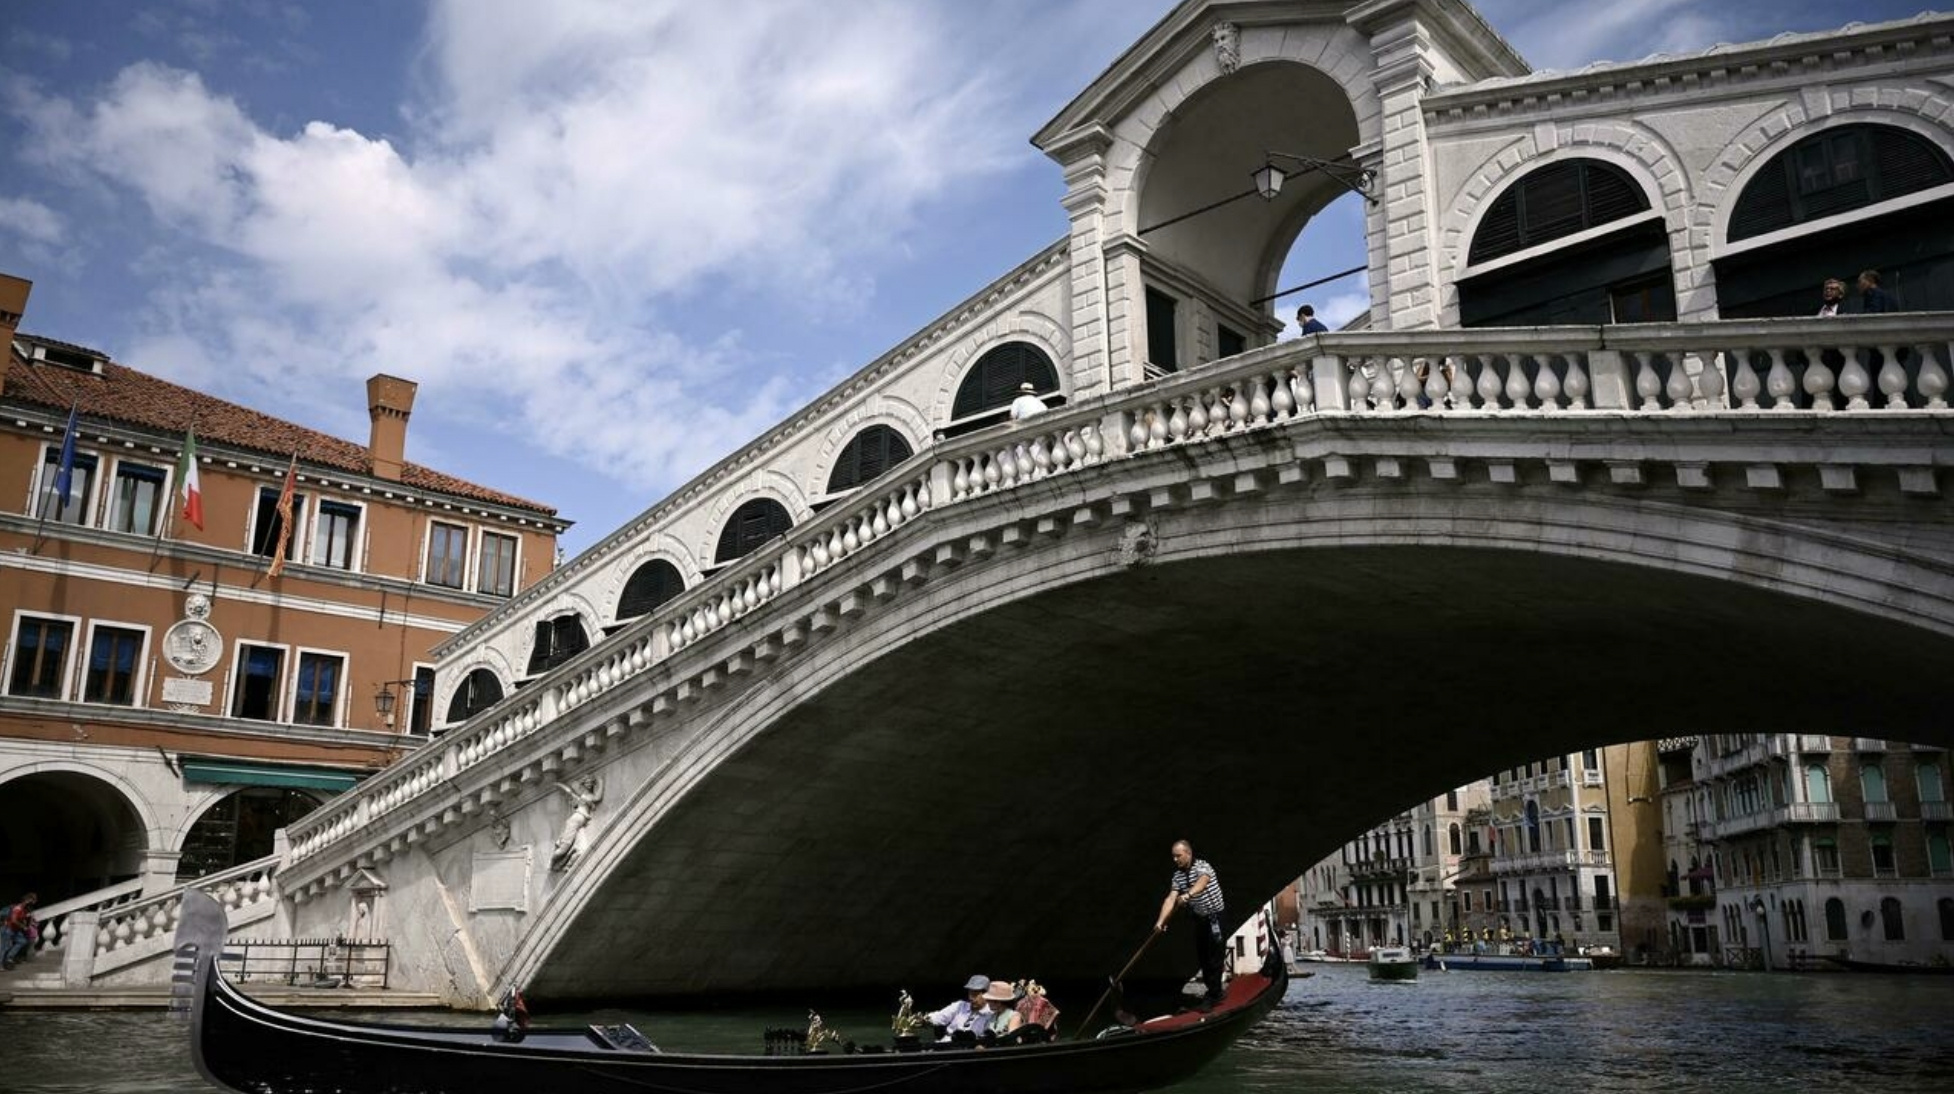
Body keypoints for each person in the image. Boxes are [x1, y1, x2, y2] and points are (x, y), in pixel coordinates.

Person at [1155, 840, 1226, 1011]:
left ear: (1188, 853)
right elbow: (1170, 899)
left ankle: (1214, 995)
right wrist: (1160, 922)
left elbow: (1202, 882)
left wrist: (1188, 895)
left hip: (1216, 917)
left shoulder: (1203, 866)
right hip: (1200, 918)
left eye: (1178, 856)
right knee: (1203, 957)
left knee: (1214, 956)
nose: (1175, 859)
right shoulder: (1178, 876)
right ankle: (1214, 992)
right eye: (1173, 856)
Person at [925, 975, 992, 1041]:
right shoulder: (960, 1005)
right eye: (970, 993)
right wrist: (925, 1019)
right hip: (946, 1043)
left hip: (970, 1048)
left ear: (986, 994)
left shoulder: (990, 1014)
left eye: (975, 995)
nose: (970, 998)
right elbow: (939, 1017)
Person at [2, 892, 38, 970]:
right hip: (8, 928)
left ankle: (9, 957)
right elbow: (13, 920)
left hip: (15, 930)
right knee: (4, 947)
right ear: (27, 900)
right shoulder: (18, 908)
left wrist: (31, 921)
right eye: (32, 900)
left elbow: (25, 919)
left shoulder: (25, 909)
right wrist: (23, 926)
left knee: (22, 941)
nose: (33, 903)